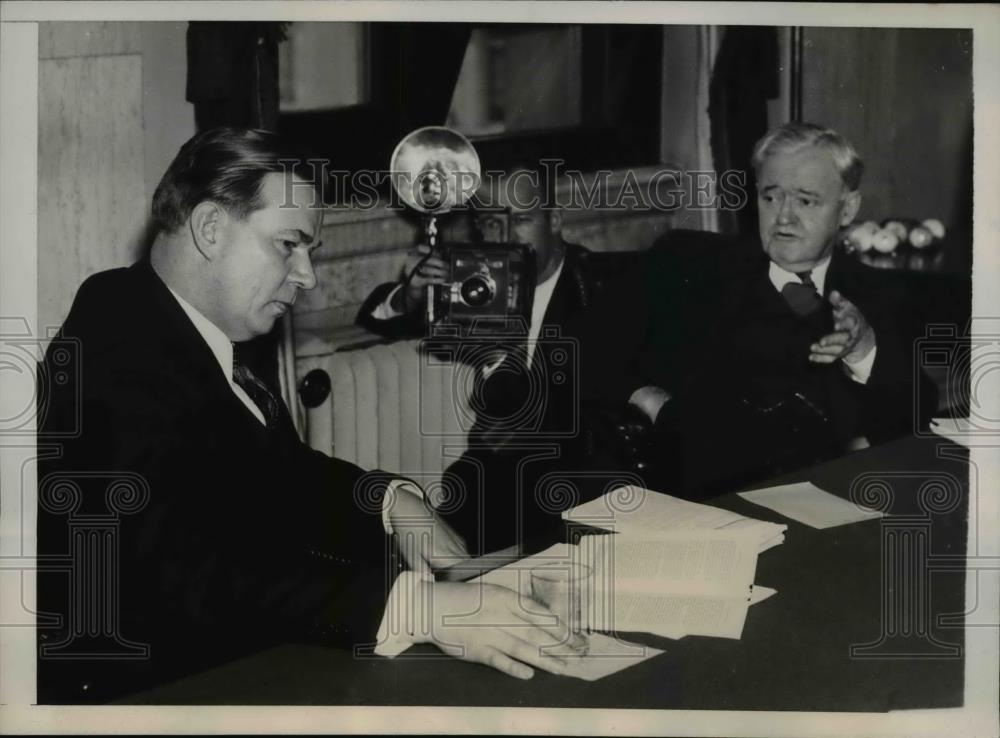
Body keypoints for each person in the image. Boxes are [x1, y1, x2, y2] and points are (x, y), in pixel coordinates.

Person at [36, 129, 584, 703]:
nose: (308, 276)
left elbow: (281, 473)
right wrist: (423, 608)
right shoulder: (118, 341)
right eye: (287, 245)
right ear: (210, 228)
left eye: (310, 251)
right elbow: (184, 567)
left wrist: (390, 502)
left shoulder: (181, 323)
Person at [577, 121, 936, 496]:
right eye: (771, 197)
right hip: (699, 497)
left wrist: (863, 350)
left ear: (847, 210)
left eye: (805, 201)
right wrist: (647, 398)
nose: (784, 217)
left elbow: (915, 418)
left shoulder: (874, 292)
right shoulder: (686, 264)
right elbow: (576, 350)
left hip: (829, 500)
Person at [357, 165, 602, 554]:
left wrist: (493, 358)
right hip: (488, 480)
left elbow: (561, 413)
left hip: (567, 484)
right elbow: (376, 316)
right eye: (491, 222)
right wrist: (413, 294)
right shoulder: (480, 275)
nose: (505, 235)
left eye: (521, 219)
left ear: (554, 219)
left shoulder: (595, 288)